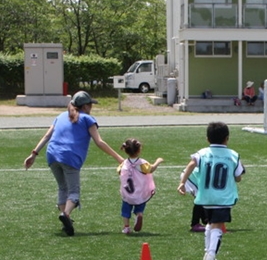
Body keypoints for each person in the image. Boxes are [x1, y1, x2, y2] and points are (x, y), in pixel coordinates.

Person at [23, 91, 124, 236]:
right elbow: (99, 142)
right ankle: (66, 214)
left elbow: (47, 136)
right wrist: (119, 158)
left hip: (52, 155)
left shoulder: (60, 116)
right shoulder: (88, 119)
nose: (91, 107)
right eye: (90, 105)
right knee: (74, 192)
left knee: (62, 188)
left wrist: (33, 154)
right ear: (85, 106)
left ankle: (67, 221)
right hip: (70, 157)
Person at [178, 122, 245, 260]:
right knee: (218, 225)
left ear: (207, 139)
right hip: (223, 198)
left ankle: (209, 254)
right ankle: (211, 254)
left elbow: (191, 164)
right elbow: (238, 177)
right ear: (227, 138)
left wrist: (182, 183)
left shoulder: (202, 153)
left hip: (205, 197)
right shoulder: (233, 155)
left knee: (210, 224)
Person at [117, 138, 163, 234]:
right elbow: (150, 169)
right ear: (139, 150)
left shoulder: (124, 164)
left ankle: (126, 227)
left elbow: (119, 171)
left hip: (128, 193)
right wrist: (158, 161)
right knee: (140, 205)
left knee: (125, 210)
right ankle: (139, 214)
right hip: (140, 192)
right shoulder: (142, 163)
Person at [181, 166, 207, 232]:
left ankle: (206, 219)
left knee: (202, 198)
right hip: (190, 176)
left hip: (194, 176)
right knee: (200, 198)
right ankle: (195, 224)